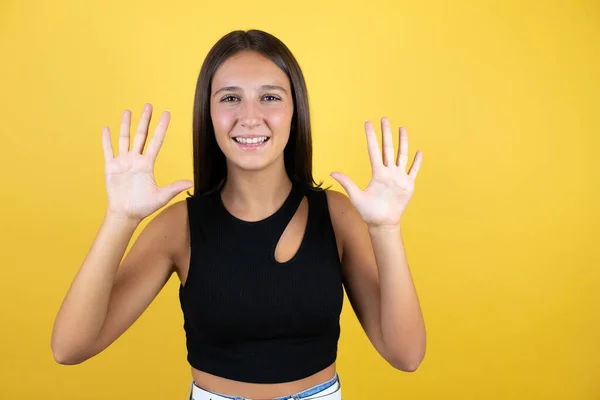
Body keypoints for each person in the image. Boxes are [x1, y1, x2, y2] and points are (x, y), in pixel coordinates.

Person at [51, 29, 426, 400]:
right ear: (208, 113)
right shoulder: (178, 227)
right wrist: (120, 217)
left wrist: (386, 228)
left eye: (270, 97)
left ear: (295, 111)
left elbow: (406, 355)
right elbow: (69, 348)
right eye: (230, 98)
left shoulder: (338, 216)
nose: (250, 117)